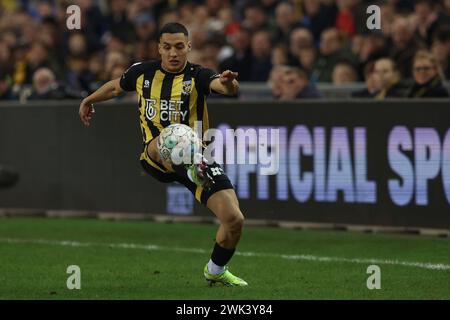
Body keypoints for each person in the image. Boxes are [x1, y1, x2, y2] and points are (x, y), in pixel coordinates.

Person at [78, 23, 247, 287]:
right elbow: (115, 87)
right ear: (159, 48)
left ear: (188, 47)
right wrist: (88, 100)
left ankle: (215, 270)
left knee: (234, 220)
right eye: (167, 47)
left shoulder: (198, 76)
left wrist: (229, 82)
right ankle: (176, 150)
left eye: (179, 47)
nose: (173, 53)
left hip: (195, 161)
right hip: (155, 156)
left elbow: (224, 87)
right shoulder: (142, 73)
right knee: (176, 134)